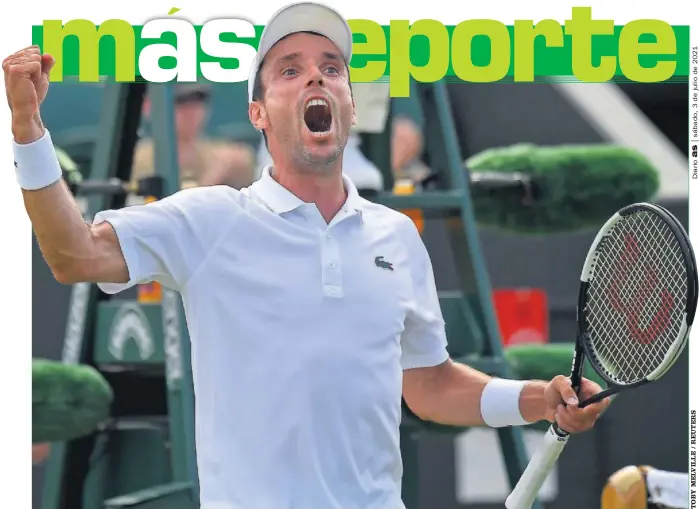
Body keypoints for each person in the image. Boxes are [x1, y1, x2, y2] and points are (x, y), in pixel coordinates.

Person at [4, 2, 611, 508]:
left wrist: (535, 398)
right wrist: (30, 129)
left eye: (331, 68)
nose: (317, 78)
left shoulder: (398, 237)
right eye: (289, 70)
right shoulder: (210, 219)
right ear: (259, 114)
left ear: (348, 105)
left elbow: (427, 384)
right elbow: (75, 256)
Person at [132, 83, 256, 191]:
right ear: (149, 108)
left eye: (199, 101)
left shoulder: (229, 156)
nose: (192, 112)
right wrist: (213, 177)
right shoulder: (137, 159)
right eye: (181, 102)